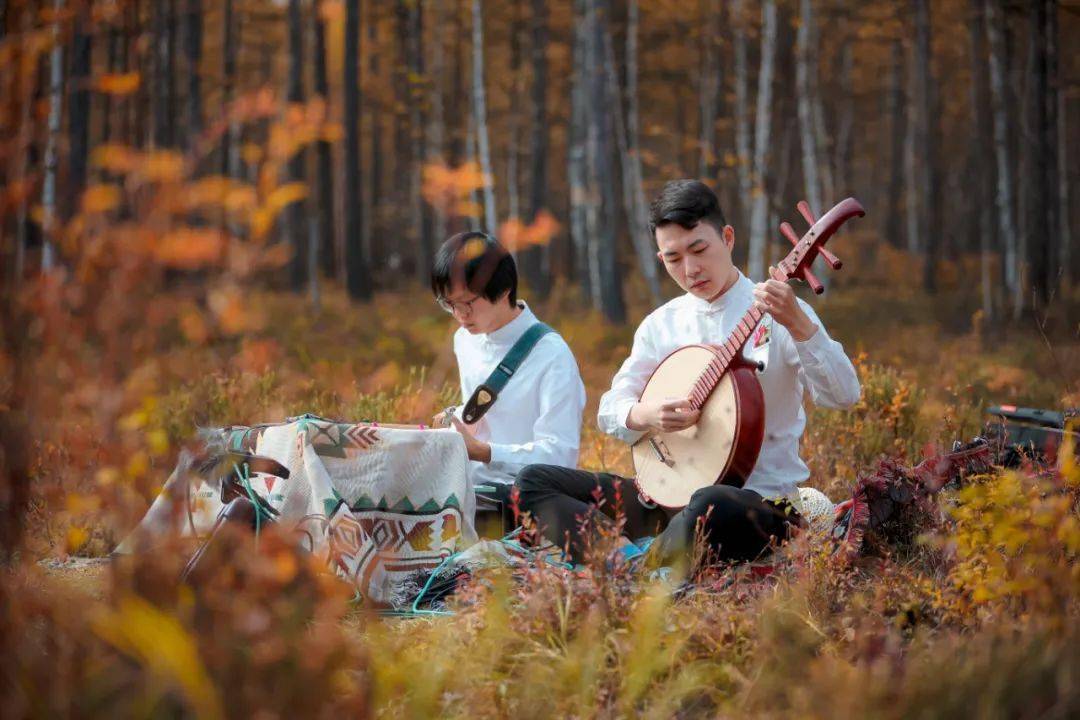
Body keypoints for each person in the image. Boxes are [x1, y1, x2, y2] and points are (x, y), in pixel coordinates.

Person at [514, 180, 861, 566]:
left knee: (712, 501)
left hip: (753, 505)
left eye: (699, 249)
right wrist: (647, 414)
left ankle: (638, 570)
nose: (691, 269)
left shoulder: (778, 312)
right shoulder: (660, 325)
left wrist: (800, 326)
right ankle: (629, 564)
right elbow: (610, 410)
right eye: (674, 258)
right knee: (532, 482)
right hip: (664, 498)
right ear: (661, 260)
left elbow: (844, 395)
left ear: (728, 238)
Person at [431, 231, 587, 529]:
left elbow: (559, 456)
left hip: (528, 504)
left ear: (503, 290)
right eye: (449, 304)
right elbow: (491, 409)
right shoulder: (464, 340)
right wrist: (457, 418)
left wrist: (484, 451)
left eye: (468, 303)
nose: (460, 316)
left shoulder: (552, 355)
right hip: (469, 492)